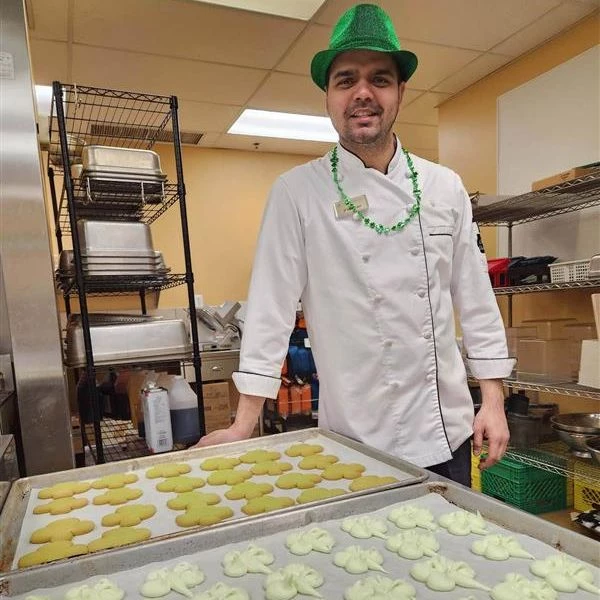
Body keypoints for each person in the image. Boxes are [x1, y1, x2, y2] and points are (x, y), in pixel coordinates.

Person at [197, 3, 514, 486]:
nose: (362, 94)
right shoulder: (297, 193)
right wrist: (244, 422)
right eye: (346, 80)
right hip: (352, 442)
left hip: (446, 432)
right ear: (327, 96)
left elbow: (475, 299)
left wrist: (492, 401)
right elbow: (269, 310)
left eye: (380, 79)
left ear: (400, 92)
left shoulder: (444, 186)